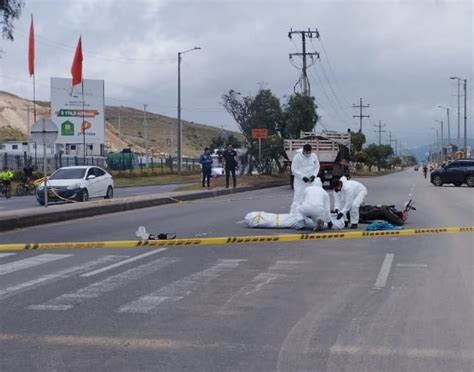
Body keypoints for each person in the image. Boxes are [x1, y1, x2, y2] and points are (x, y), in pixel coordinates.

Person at [290, 143, 320, 214]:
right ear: (303, 150)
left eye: (309, 152)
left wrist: (314, 175)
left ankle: (309, 213)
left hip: (310, 181)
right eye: (307, 152)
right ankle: (295, 214)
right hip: (300, 182)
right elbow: (294, 169)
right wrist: (302, 177)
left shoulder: (313, 156)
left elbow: (317, 166)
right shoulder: (297, 157)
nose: (308, 154)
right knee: (299, 198)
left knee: (310, 197)